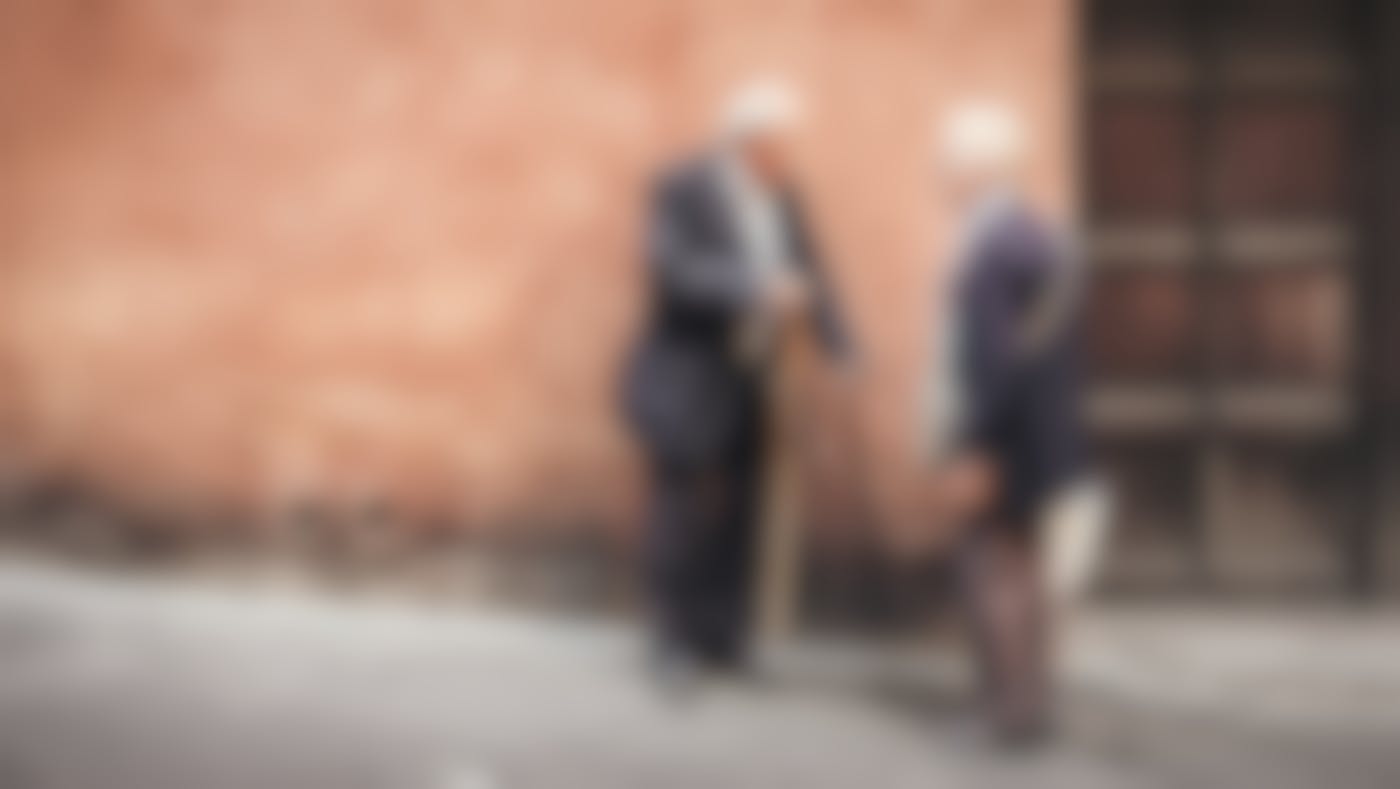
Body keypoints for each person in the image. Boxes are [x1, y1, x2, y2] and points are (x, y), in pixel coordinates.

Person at [622, 78, 856, 693]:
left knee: (746, 511)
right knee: (681, 510)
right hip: (689, 376)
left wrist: (841, 347)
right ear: (749, 145)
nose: (787, 160)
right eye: (779, 148)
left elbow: (812, 270)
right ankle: (672, 642)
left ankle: (723, 633)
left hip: (758, 378)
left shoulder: (784, 195)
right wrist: (754, 285)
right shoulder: (685, 186)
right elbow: (674, 271)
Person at [923, 102, 1087, 744]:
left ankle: (1008, 711)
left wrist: (977, 446)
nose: (938, 175)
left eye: (947, 165)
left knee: (993, 571)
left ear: (978, 170)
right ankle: (1027, 705)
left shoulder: (991, 244)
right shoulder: (1033, 232)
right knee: (1022, 570)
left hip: (1005, 437)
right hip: (1038, 434)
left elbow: (994, 359)